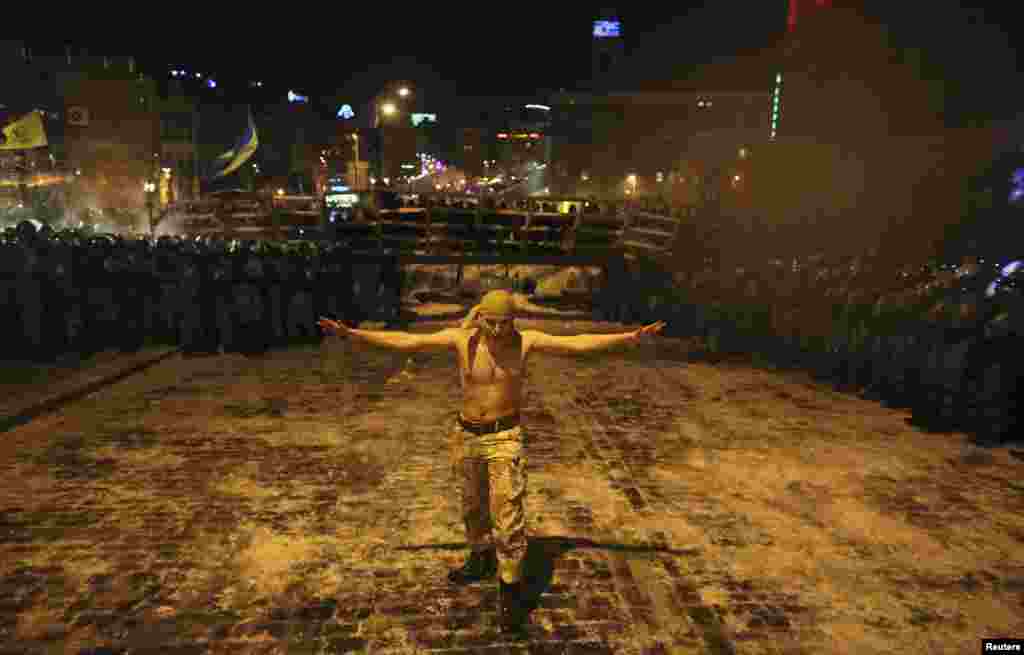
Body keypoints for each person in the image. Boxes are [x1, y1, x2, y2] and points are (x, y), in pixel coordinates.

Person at [318, 290, 665, 636]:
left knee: (507, 513)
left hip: (504, 437)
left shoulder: (526, 341)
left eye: (504, 323)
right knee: (472, 505)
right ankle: (480, 556)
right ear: (479, 317)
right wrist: (353, 334)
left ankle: (510, 589)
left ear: (513, 321)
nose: (497, 331)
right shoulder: (461, 340)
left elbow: (577, 344)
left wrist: (630, 337)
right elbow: (406, 342)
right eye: (491, 322)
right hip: (466, 434)